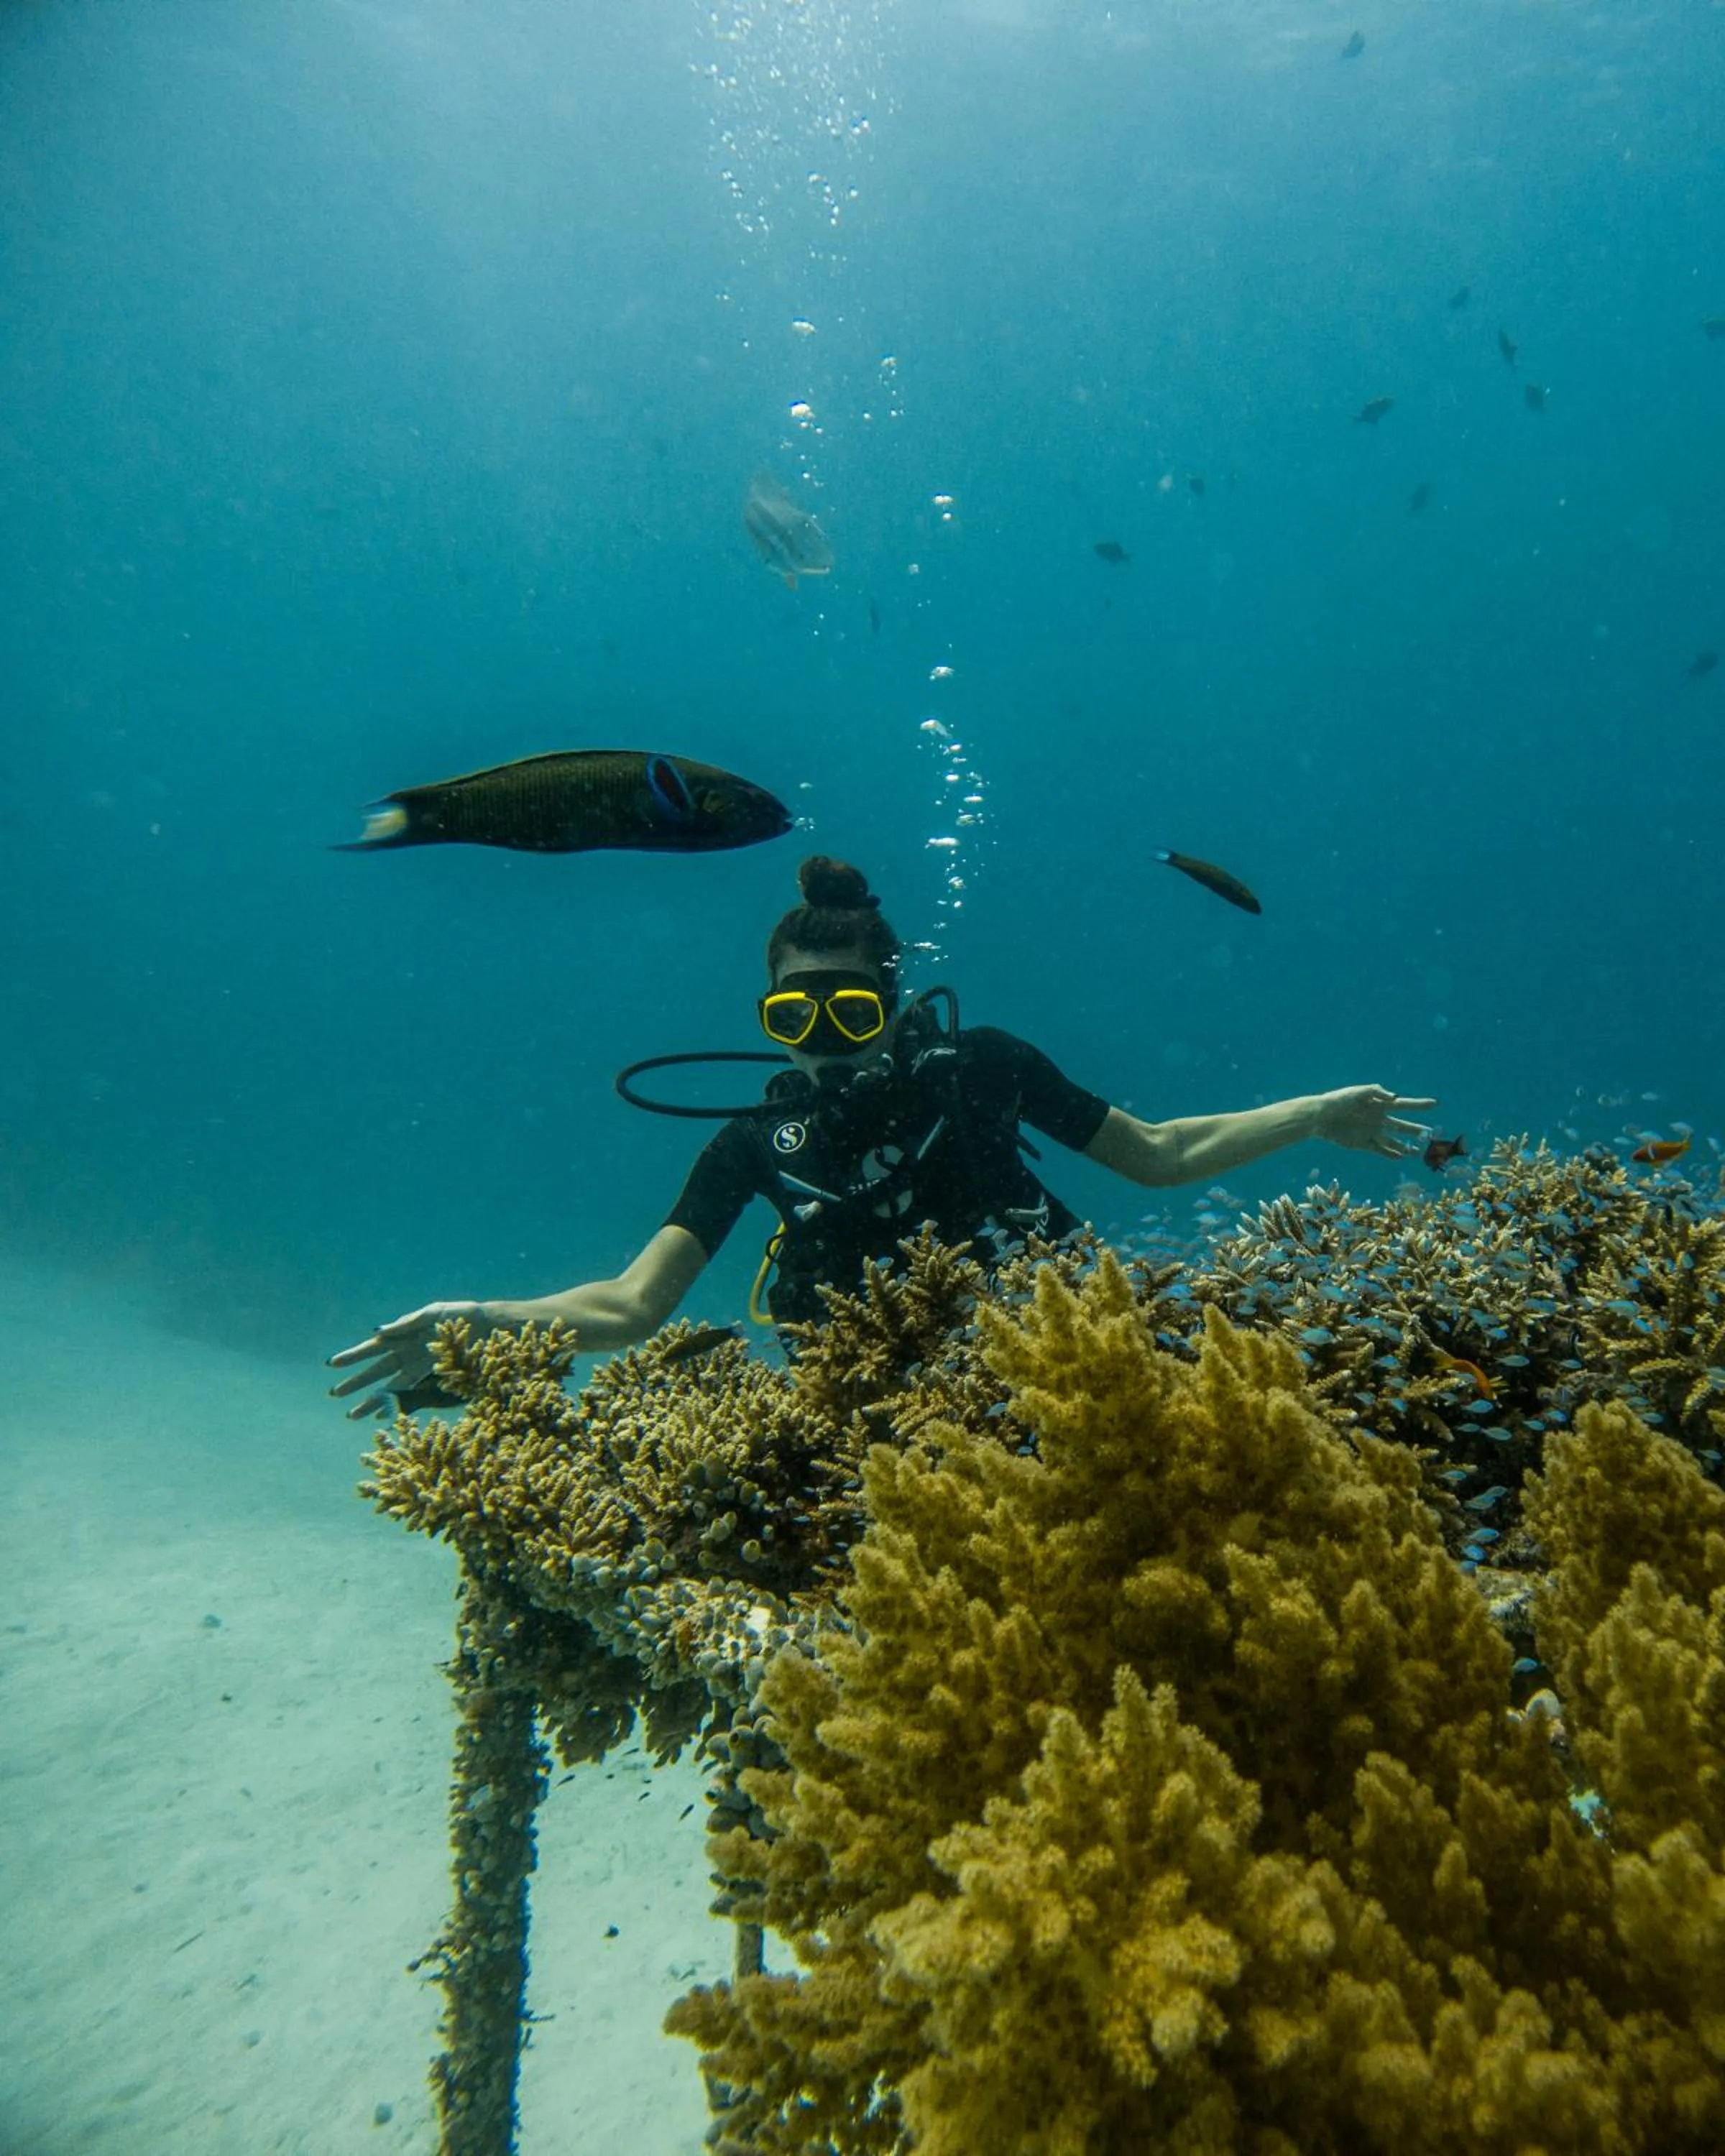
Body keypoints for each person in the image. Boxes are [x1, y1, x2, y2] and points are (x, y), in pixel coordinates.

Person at [329, 856, 1435, 1419]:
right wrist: (490, 1325)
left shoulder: (983, 1064)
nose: (825, 1046)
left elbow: (1156, 1155)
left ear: (893, 1007)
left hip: (1078, 1367)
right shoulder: (756, 1141)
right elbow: (631, 1306)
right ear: (768, 1019)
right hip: (872, 1413)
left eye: (849, 1014)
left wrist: (1313, 1114)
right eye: (794, 1018)